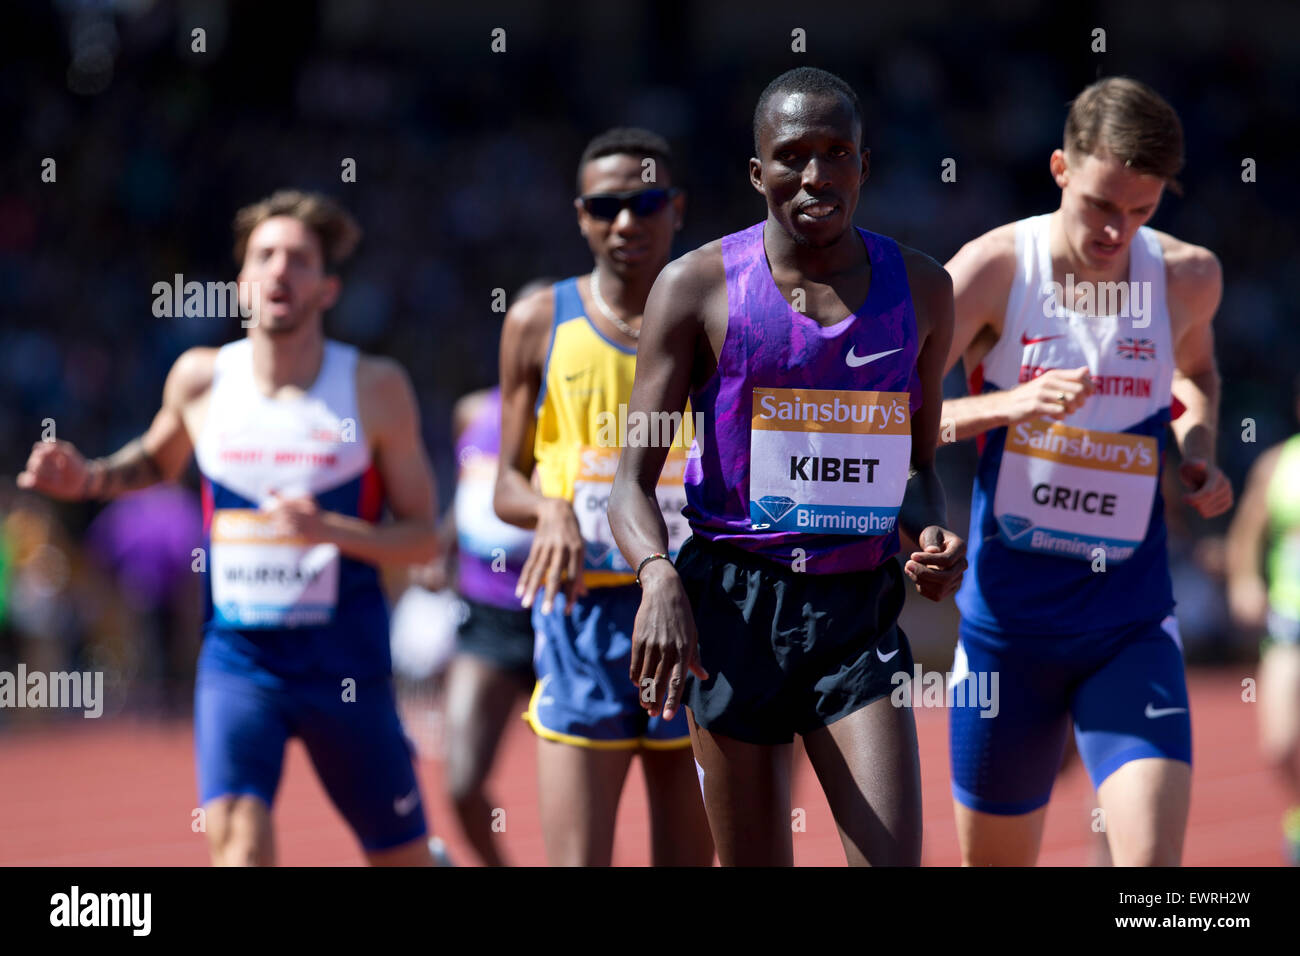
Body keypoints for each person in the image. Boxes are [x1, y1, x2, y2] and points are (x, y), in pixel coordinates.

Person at [19, 190, 443, 866]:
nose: (280, 271)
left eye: (299, 260)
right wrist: (88, 477)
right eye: (265, 257)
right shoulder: (202, 379)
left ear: (328, 287)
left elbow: (424, 537)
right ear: (242, 281)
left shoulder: (373, 387)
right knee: (239, 850)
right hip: (240, 663)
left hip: (346, 665)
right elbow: (155, 459)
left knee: (401, 858)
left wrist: (329, 528)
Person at [608, 66, 966, 866]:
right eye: (792, 156)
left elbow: (917, 464)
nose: (815, 176)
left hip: (855, 614)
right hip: (732, 608)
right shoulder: (696, 288)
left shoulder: (922, 289)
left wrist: (931, 532)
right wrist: (658, 576)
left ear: (864, 165)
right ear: (756, 171)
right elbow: (630, 481)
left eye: (837, 152)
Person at [938, 77, 1232, 865]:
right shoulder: (994, 269)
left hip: (1129, 626)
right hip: (1007, 635)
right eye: (1103, 204)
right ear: (1061, 167)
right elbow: (896, 419)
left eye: (1141, 211)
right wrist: (1010, 405)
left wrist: (1198, 447)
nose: (1117, 232)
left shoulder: (1186, 276)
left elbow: (1197, 375)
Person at [494, 129, 713, 866]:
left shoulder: (718, 319)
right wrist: (549, 509)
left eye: (646, 202)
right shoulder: (536, 322)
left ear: (676, 208)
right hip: (582, 619)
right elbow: (505, 485)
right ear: (581, 215)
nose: (627, 222)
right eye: (605, 205)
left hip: (693, 618)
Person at [439, 279, 548, 864]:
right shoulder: (471, 412)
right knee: (460, 782)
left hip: (565, 612)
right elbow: (470, 496)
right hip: (486, 617)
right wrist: (439, 549)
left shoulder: (579, 417)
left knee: (610, 777)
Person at [1226, 378, 1300, 864]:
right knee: (1280, 745)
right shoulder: (1278, 464)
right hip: (1289, 627)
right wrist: (1245, 584)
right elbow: (1245, 537)